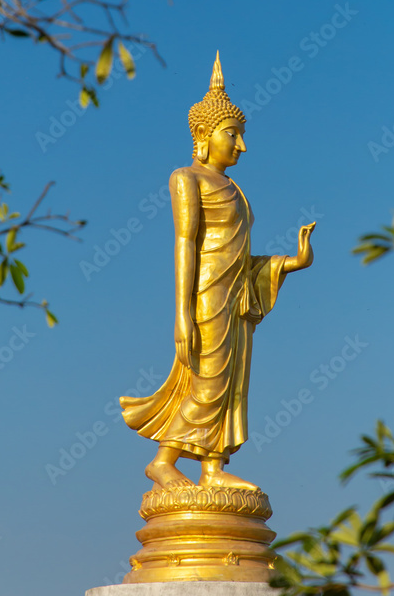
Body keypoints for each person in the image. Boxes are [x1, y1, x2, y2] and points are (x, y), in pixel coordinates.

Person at [120, 52, 315, 491]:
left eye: (241, 135)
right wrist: (181, 313)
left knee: (229, 382)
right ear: (205, 134)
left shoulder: (236, 189)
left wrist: (290, 262)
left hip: (236, 294)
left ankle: (212, 466)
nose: (240, 145)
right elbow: (185, 243)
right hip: (206, 294)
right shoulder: (186, 178)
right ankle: (164, 460)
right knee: (208, 378)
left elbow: (242, 256)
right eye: (233, 134)